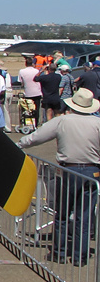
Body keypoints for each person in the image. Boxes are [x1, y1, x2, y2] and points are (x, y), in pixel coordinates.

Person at [18, 88, 100, 266]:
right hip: (92, 171)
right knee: (84, 216)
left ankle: (59, 252)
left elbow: (37, 137)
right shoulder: (97, 123)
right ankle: (80, 256)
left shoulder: (62, 121)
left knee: (62, 213)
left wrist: (19, 144)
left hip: (68, 170)